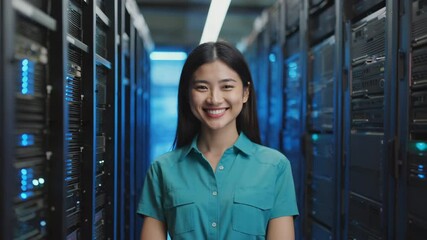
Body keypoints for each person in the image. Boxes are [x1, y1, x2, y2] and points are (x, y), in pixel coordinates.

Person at [137, 41, 298, 240]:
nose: (214, 99)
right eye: (202, 87)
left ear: (245, 92)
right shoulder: (163, 169)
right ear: (188, 94)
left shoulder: (275, 167)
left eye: (227, 86)